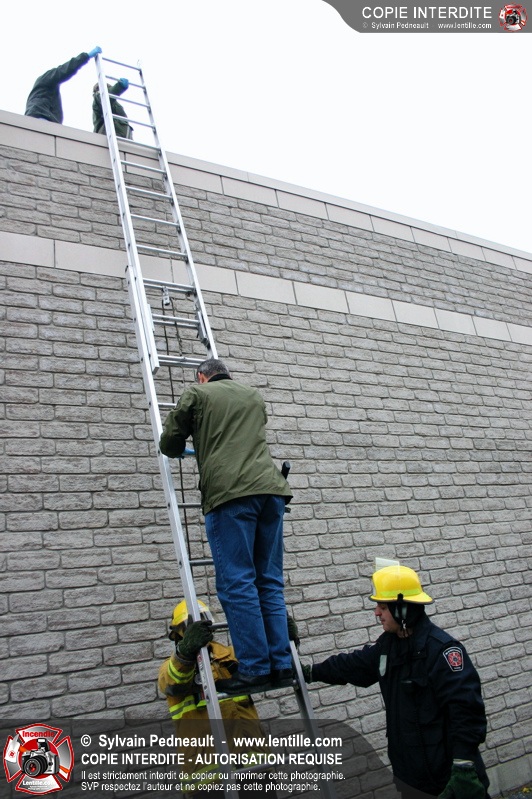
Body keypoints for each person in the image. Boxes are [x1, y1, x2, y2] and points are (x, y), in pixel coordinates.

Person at [159, 358, 293, 695]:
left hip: (231, 495)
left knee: (237, 582)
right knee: (269, 582)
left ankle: (255, 668)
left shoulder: (197, 394)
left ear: (202, 377)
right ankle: (282, 664)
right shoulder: (253, 396)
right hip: (271, 492)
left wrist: (186, 442)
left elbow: (170, 443)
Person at [302, 563, 490, 799]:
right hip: (411, 782)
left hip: (450, 783)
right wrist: (309, 672)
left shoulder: (442, 651)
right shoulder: (388, 647)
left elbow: (466, 711)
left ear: (402, 610)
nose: (376, 613)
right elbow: (352, 665)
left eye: (383, 607)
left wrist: (463, 768)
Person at [158, 600, 270, 790]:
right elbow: (172, 683)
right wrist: (185, 653)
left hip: (255, 768)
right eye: (189, 625)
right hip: (209, 781)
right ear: (178, 633)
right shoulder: (171, 669)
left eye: (203, 621)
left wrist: (281, 639)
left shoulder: (231, 656)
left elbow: (266, 665)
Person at [25, 48, 102, 124]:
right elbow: (65, 70)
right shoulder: (47, 77)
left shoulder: (43, 88)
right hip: (42, 117)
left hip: (37, 119)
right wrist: (86, 56)